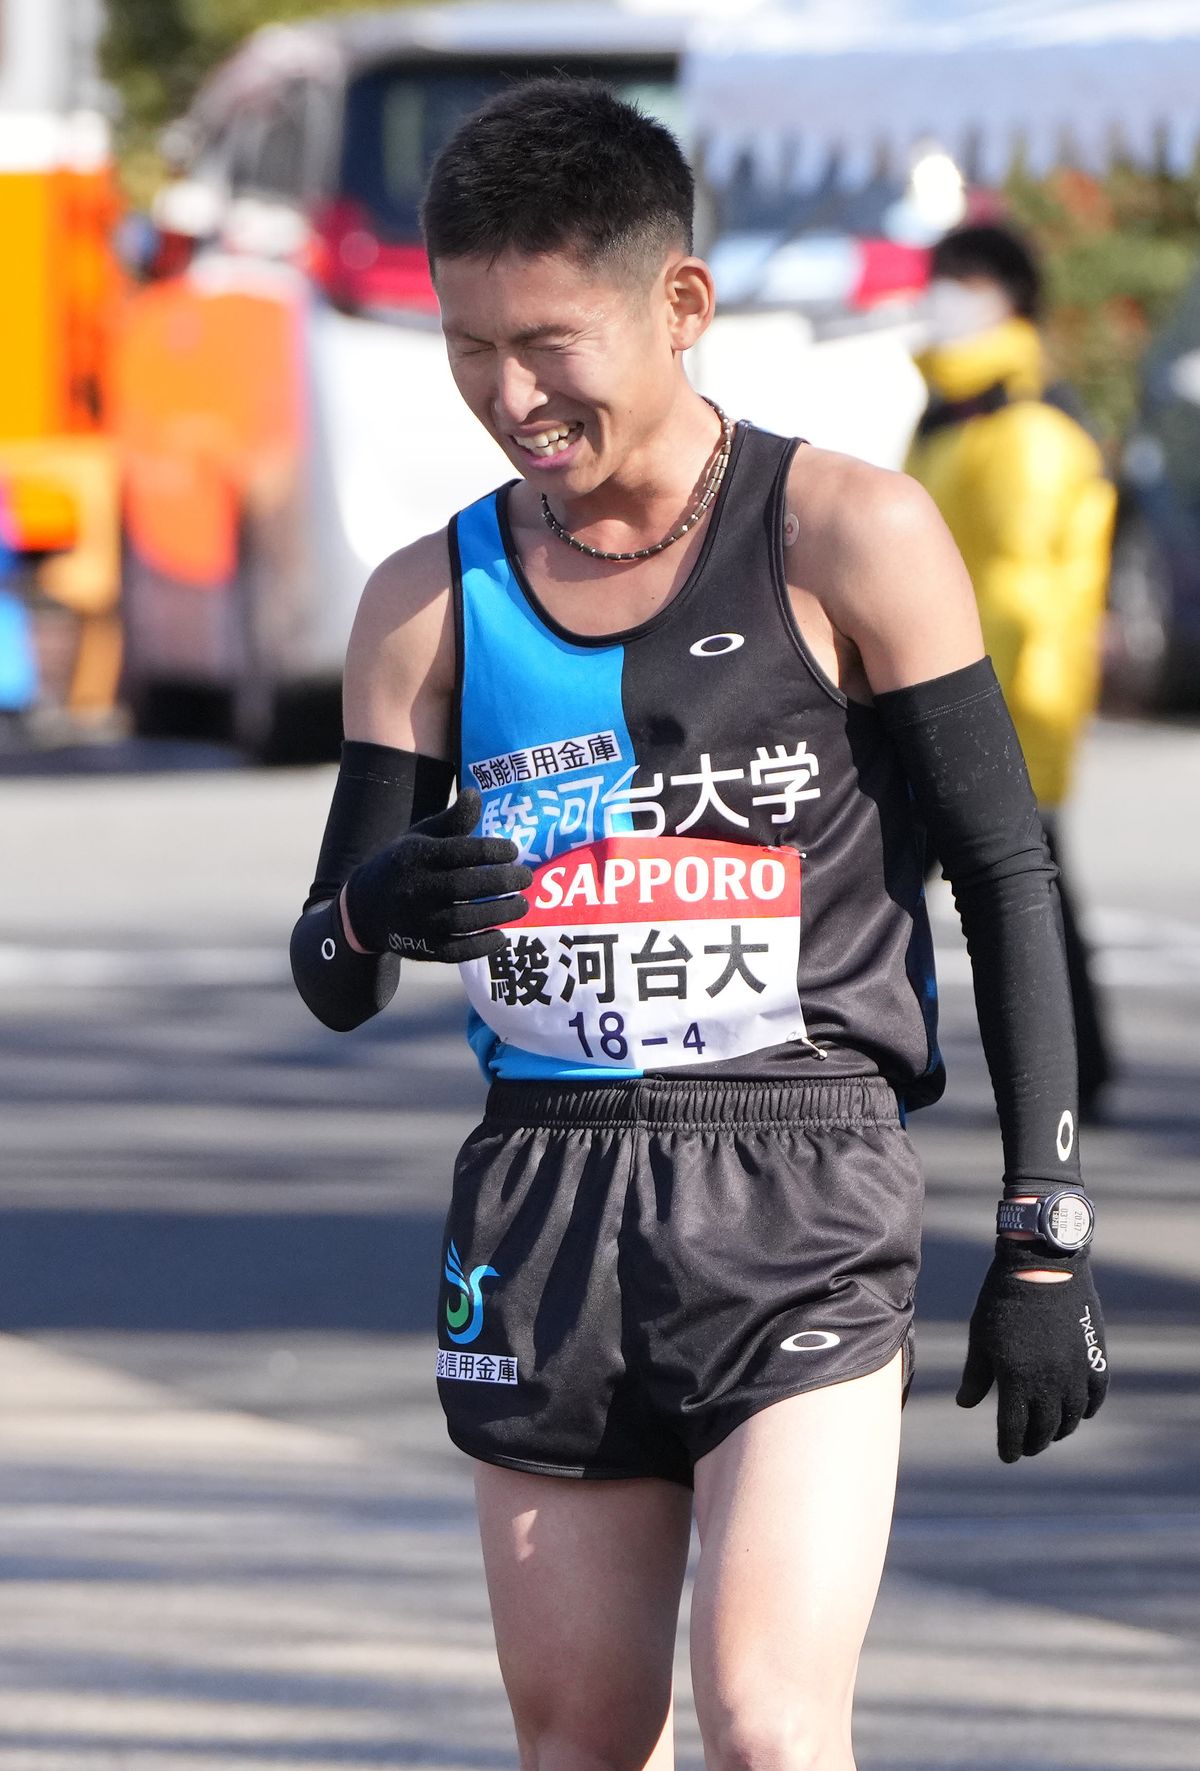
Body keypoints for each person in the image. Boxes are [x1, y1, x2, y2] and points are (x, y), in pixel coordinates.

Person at [291, 84, 1108, 1771]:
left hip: (797, 1182)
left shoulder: (849, 530)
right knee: (582, 1738)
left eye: (548, 341)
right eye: (465, 346)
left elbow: (1006, 875)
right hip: (543, 1197)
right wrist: (376, 899)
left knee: (767, 1725)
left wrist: (1044, 1231)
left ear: (681, 303)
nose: (507, 395)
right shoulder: (424, 600)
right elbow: (335, 974)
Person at [906, 222, 1117, 1118]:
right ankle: (1082, 1069)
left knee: (1008, 893)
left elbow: (1030, 594)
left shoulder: (1027, 428)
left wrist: (1001, 709)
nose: (941, 298)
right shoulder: (957, 417)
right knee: (1023, 895)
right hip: (957, 700)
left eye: (964, 282)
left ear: (1009, 298)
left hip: (991, 706)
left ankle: (1072, 1077)